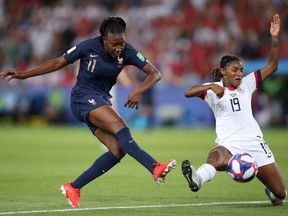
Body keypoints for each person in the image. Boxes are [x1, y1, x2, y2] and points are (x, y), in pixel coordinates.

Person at [1, 17, 176, 208]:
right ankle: (154, 167)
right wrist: (25, 74)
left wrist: (138, 90)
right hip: (82, 98)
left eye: (122, 43)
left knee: (118, 150)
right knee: (120, 127)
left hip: (101, 100)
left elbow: (155, 73)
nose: (119, 48)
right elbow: (59, 62)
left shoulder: (128, 51)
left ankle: (73, 187)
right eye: (114, 44)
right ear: (103, 40)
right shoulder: (88, 46)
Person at [181, 14, 286, 206]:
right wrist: (209, 87)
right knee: (215, 157)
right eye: (235, 70)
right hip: (229, 143)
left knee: (280, 193)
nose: (239, 73)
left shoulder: (247, 84)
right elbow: (187, 92)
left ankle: (272, 193)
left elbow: (273, 65)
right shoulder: (212, 89)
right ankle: (198, 179)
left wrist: (274, 38)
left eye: (241, 70)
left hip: (255, 143)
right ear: (223, 72)